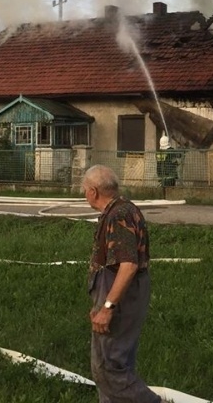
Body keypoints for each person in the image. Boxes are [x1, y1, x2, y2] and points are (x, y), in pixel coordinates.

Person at [83, 164, 161, 403]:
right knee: (112, 363)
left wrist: (107, 307)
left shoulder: (119, 215)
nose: (84, 194)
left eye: (85, 189)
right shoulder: (123, 209)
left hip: (120, 297)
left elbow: (128, 265)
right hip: (116, 291)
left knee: (109, 369)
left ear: (94, 191)